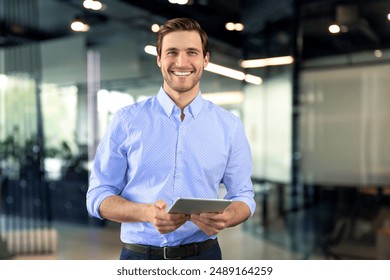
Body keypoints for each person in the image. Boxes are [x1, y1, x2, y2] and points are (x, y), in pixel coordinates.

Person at [86, 17, 256, 260]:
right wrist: (146, 213)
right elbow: (98, 196)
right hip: (139, 259)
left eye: (192, 52)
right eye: (172, 52)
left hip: (204, 257)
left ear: (205, 59)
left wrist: (230, 216)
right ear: (159, 59)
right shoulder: (126, 120)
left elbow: (243, 196)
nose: (181, 62)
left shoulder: (229, 126)